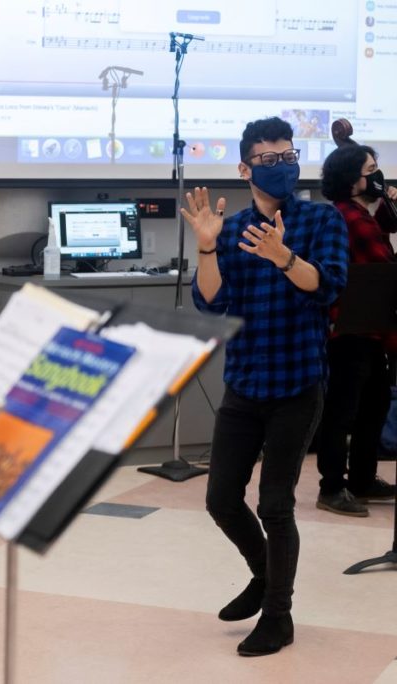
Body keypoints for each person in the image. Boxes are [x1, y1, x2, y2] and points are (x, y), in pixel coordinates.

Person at [181, 116, 348, 656]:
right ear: (245, 168)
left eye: (289, 156)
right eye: (269, 160)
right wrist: (207, 249)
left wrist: (285, 257)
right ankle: (263, 574)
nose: (283, 167)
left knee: (275, 505)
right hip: (245, 383)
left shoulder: (322, 220)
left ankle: (279, 615)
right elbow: (211, 301)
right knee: (221, 499)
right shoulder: (228, 229)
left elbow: (326, 288)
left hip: (298, 383)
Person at [315, 144, 397, 516]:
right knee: (344, 412)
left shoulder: (365, 215)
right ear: (352, 179)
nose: (378, 176)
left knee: (373, 406)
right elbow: (383, 265)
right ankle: (332, 486)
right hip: (351, 330)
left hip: (368, 328)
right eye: (371, 169)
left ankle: (362, 479)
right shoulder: (350, 219)